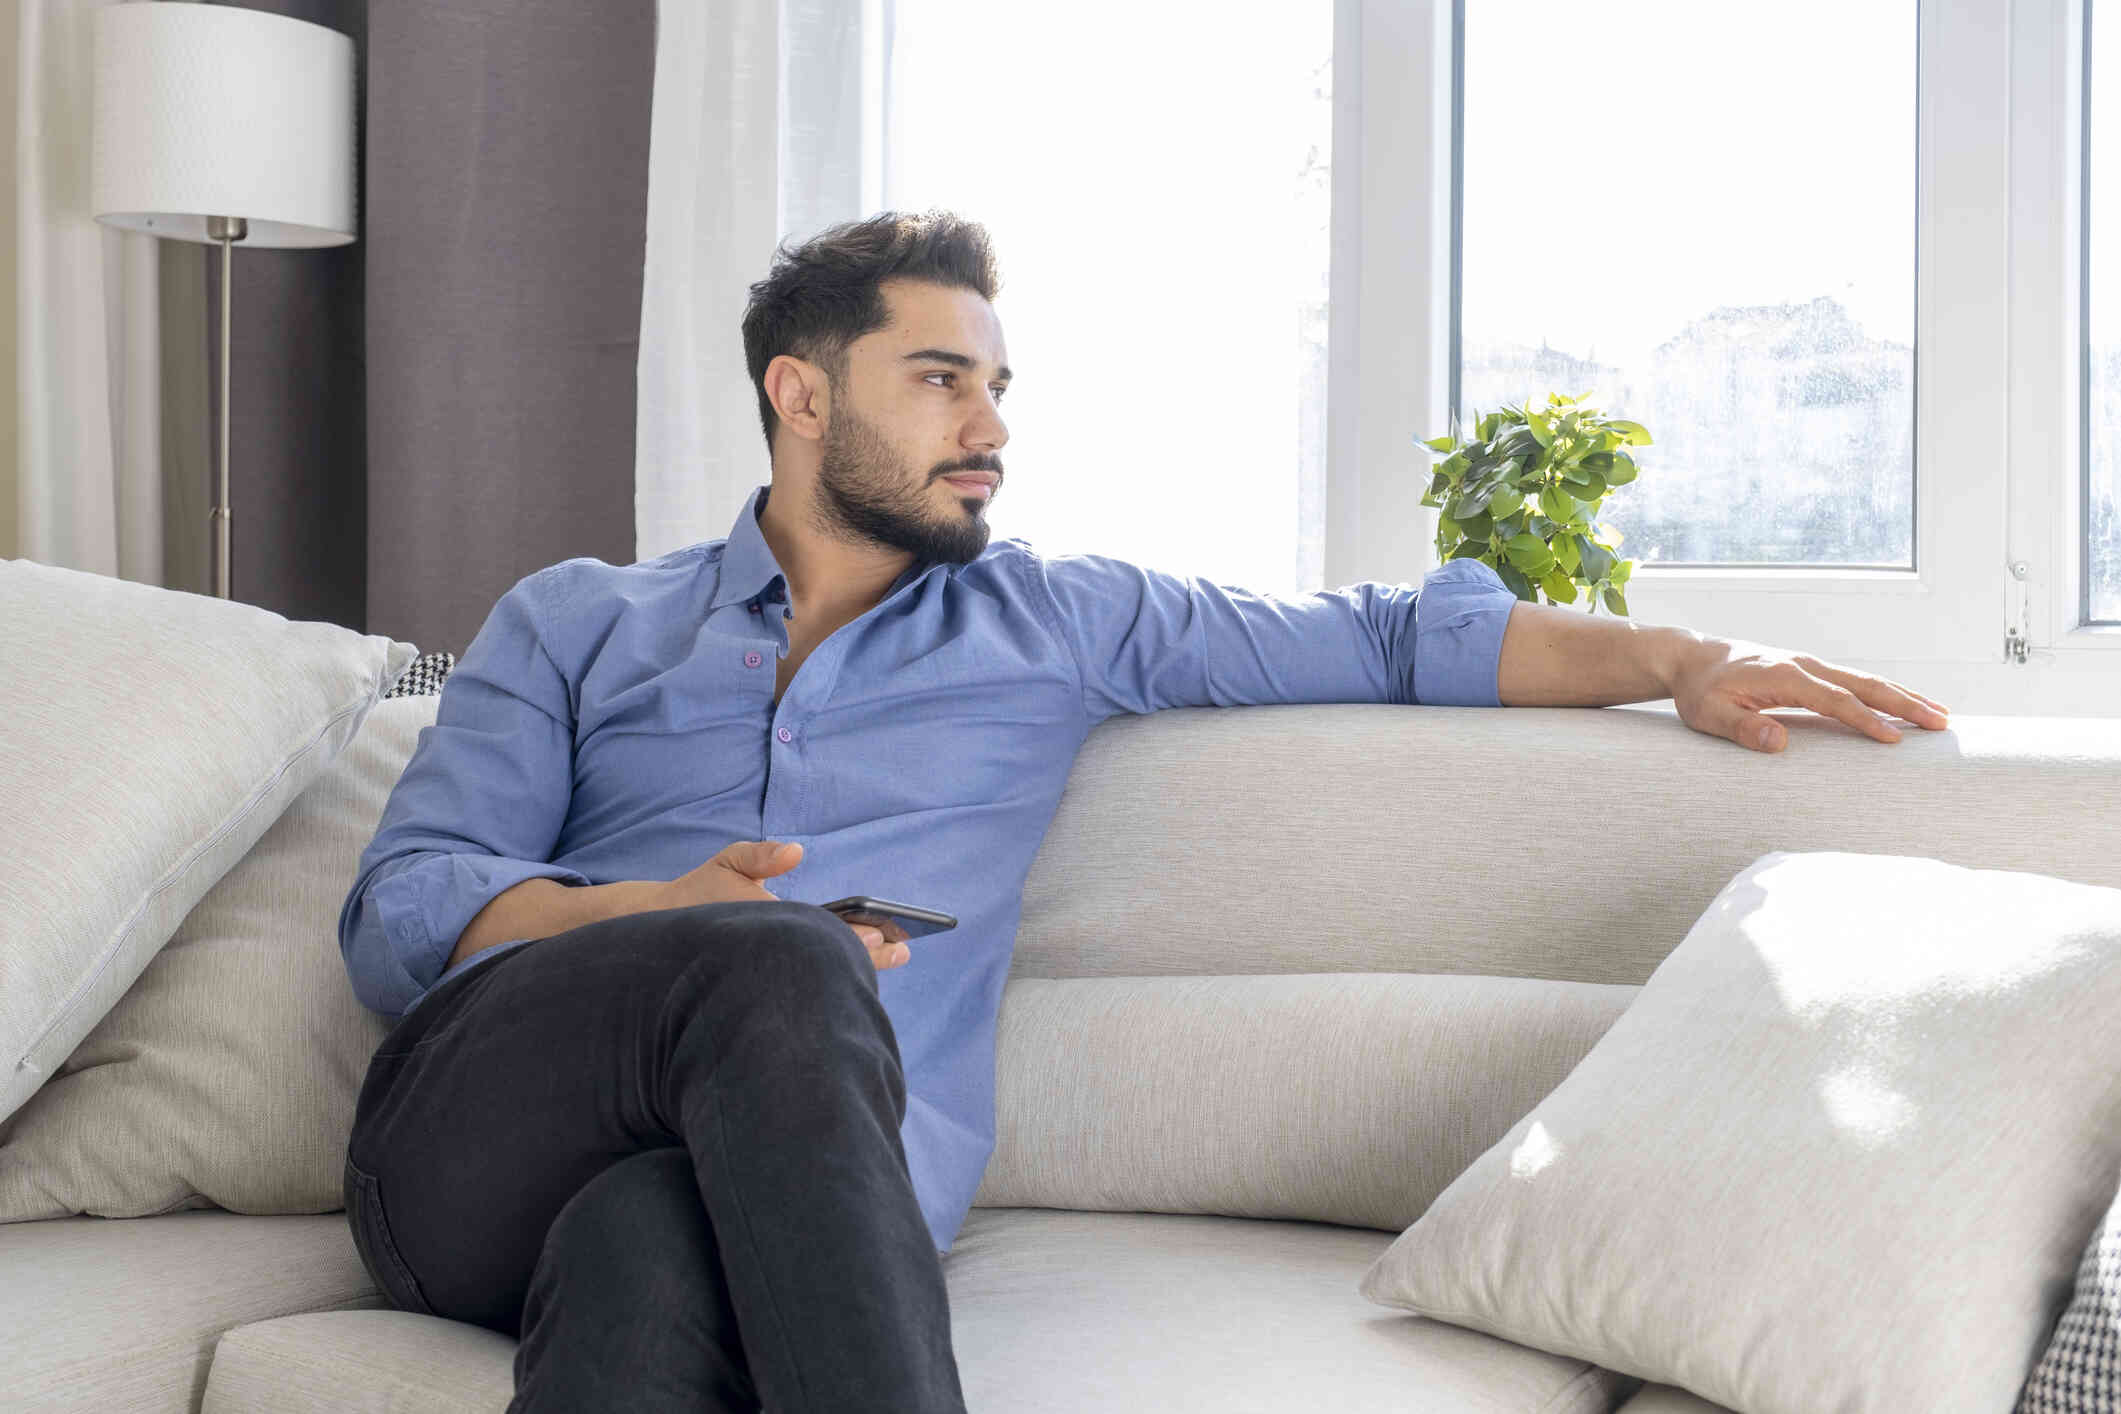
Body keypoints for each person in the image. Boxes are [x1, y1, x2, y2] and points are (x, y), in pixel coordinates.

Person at [335, 209, 1954, 1413]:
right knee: (778, 960)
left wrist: (1677, 651)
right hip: (477, 1149)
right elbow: (402, 910)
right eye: (940, 381)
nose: (992, 429)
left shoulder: (1059, 620)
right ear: (802, 396)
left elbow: (1393, 636)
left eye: (999, 385)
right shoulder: (579, 618)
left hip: (780, 1191)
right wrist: (652, 914)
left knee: (641, 1247)